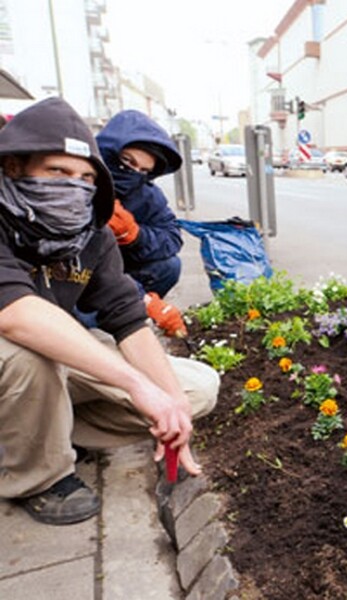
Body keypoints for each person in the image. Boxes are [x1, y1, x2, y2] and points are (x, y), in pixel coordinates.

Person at [0, 97, 219, 526]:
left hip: (50, 365)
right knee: (29, 359)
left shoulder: (89, 234)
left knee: (195, 391)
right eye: (57, 172)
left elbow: (126, 318)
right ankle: (38, 475)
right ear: (13, 167)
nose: (73, 187)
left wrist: (170, 406)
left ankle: (43, 432)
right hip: (15, 357)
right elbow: (15, 315)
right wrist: (136, 386)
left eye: (84, 178)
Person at [95, 110, 186, 336]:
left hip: (123, 267)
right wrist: (142, 299)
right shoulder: (83, 184)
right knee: (85, 318)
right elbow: (90, 266)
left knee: (169, 266)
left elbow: (172, 236)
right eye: (127, 161)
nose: (134, 173)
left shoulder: (146, 194)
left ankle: (121, 316)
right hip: (79, 278)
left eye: (144, 170)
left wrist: (135, 236)